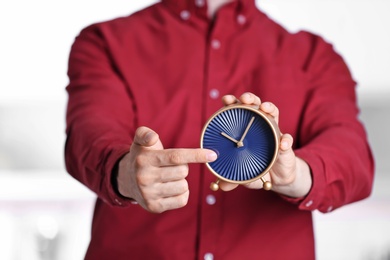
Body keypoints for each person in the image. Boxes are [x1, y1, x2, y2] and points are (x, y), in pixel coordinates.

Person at [64, 0, 374, 259]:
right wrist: (125, 172)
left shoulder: (314, 57)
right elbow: (88, 134)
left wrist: (294, 175)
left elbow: (352, 155)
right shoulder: (105, 42)